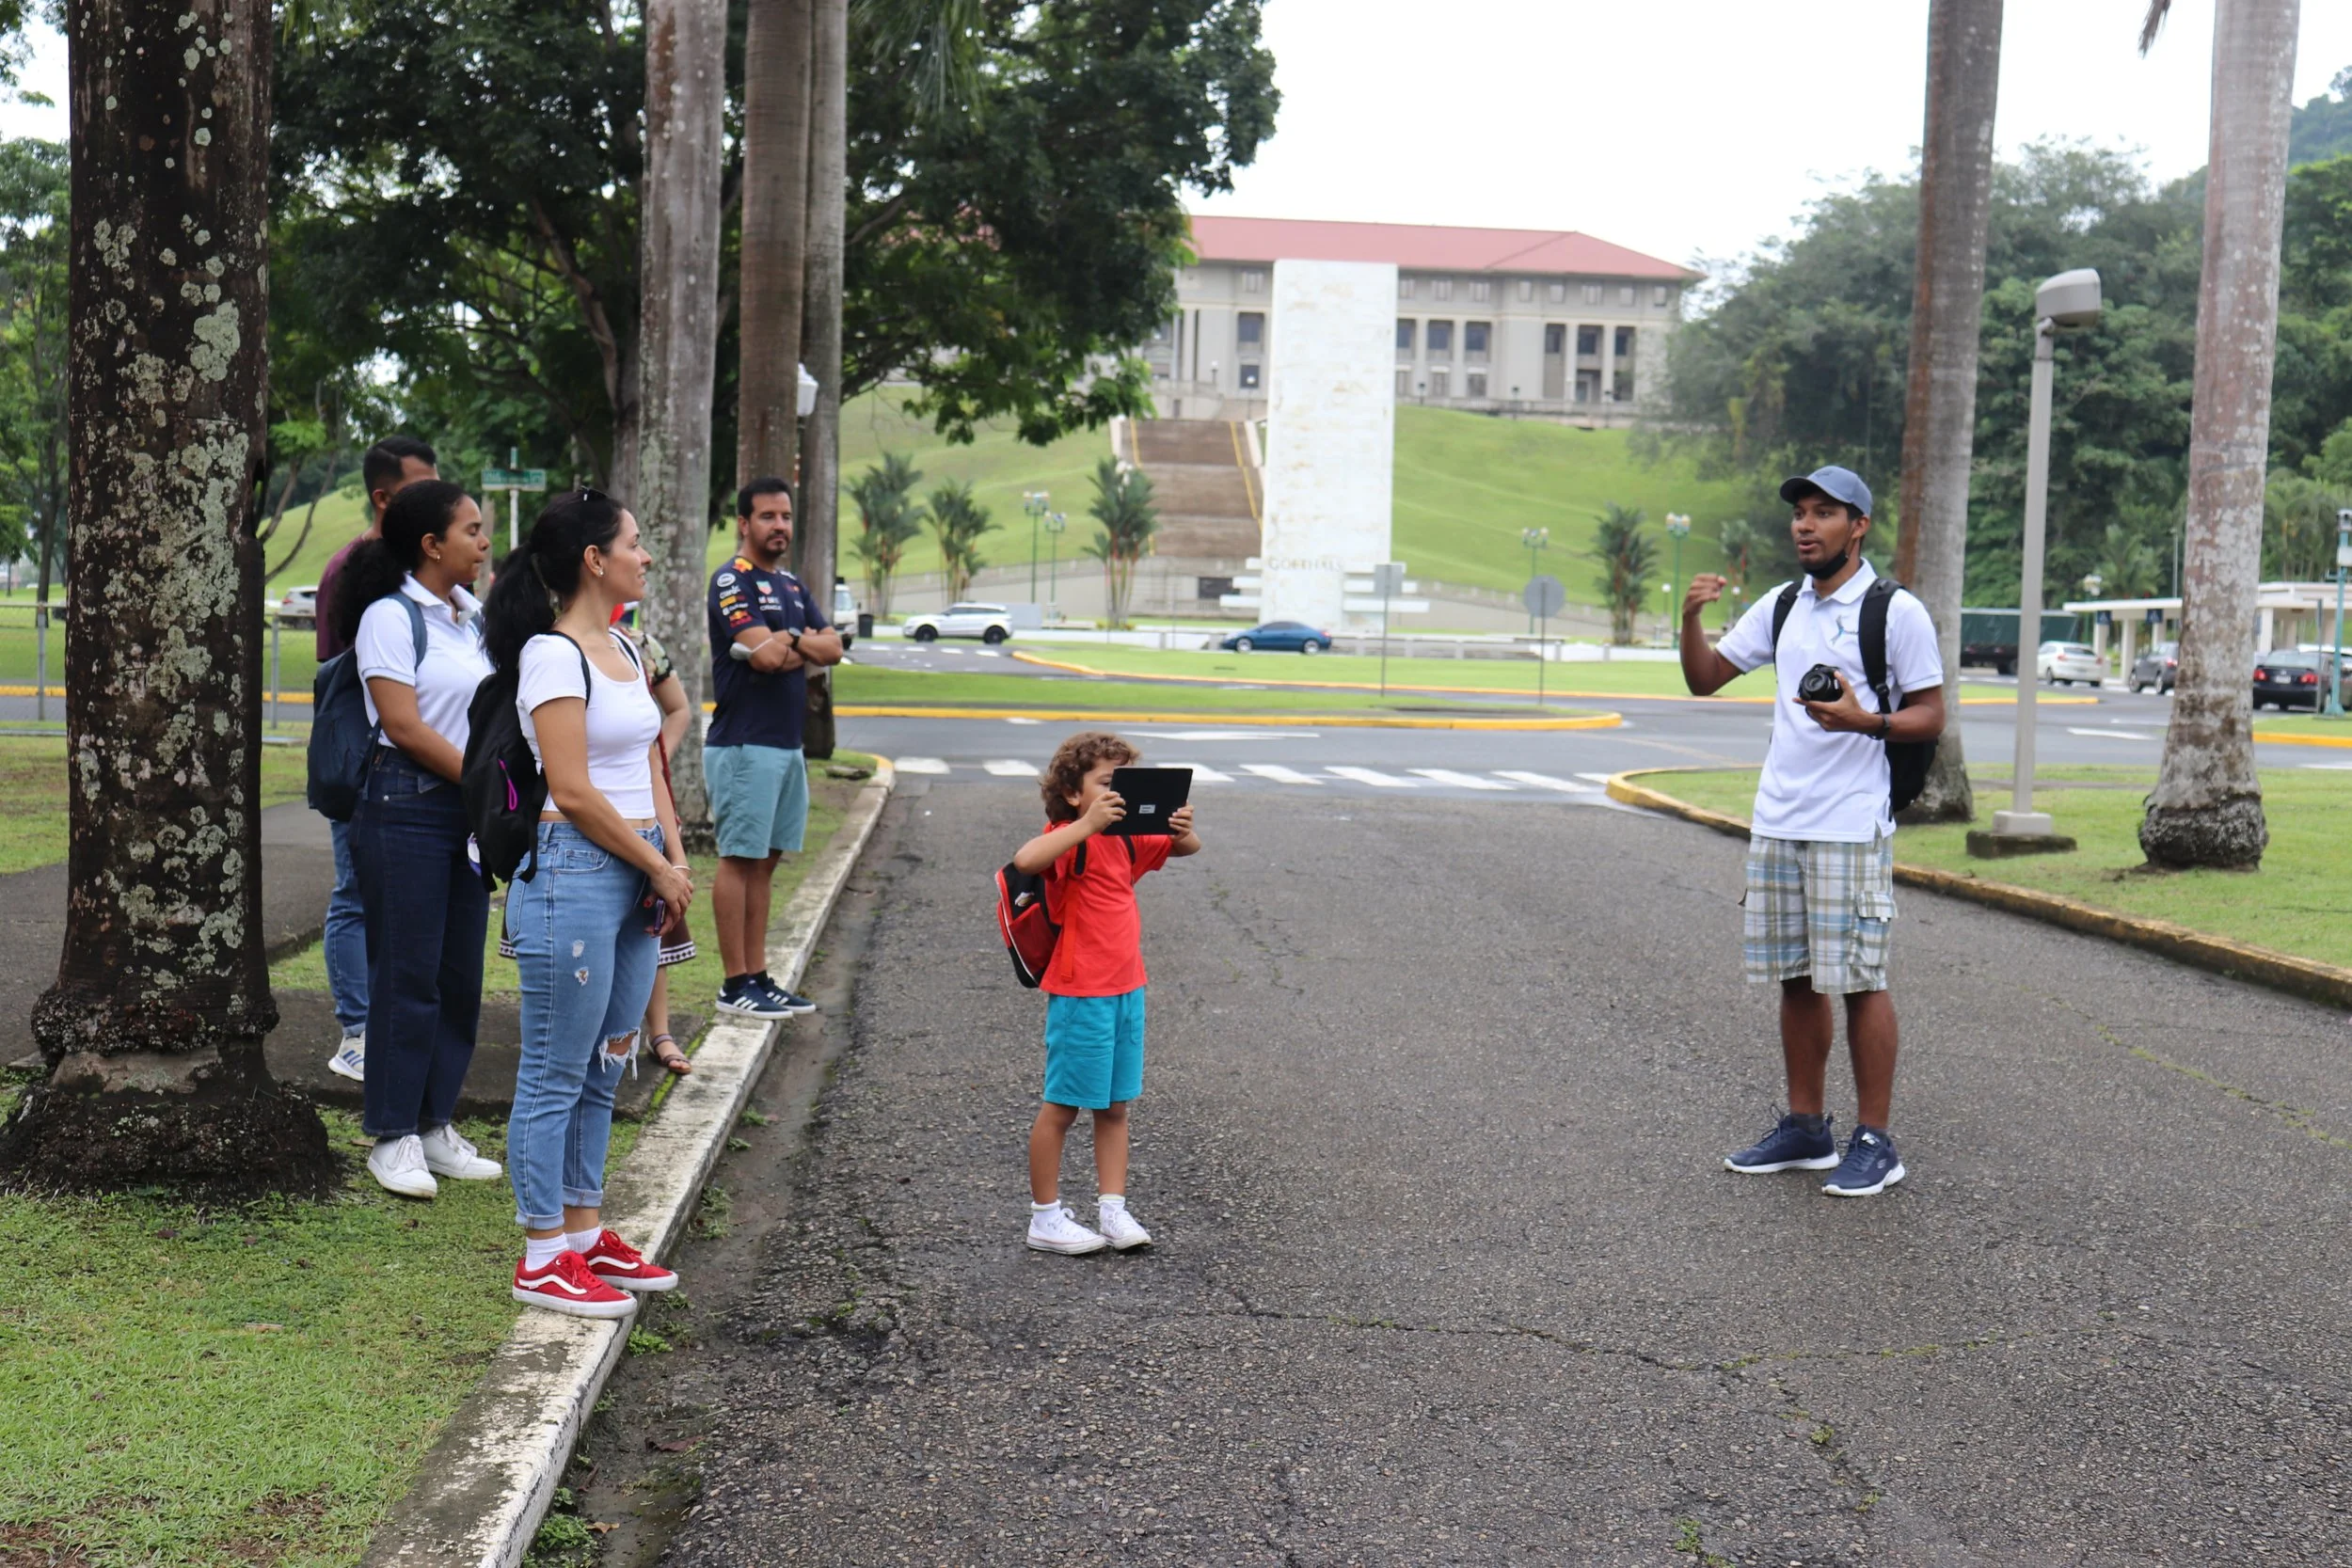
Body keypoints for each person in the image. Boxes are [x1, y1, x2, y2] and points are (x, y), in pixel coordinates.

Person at [1677, 466, 1946, 1198]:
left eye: (1824, 512)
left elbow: (1931, 714)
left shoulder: (1895, 612)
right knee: (1795, 978)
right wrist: (1690, 619)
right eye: (1800, 511)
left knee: (1860, 979)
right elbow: (1705, 677)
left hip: (1850, 822)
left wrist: (1867, 720)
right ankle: (1806, 1127)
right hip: (1779, 818)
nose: (1805, 523)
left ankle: (1876, 1141)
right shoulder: (1782, 604)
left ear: (1858, 526)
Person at [484, 489, 694, 1318]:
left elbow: (648, 766)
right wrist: (655, 865)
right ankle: (542, 1253)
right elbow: (570, 790)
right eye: (634, 543)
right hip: (573, 870)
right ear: (594, 560)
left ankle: (583, 1230)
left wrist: (673, 861)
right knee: (554, 1068)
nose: (646, 556)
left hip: (638, 869)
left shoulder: (627, 648)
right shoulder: (551, 655)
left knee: (607, 1063)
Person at [332, 480, 502, 1198]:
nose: (484, 541)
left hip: (465, 813)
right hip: (404, 805)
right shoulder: (389, 616)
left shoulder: (472, 618)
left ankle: (435, 1124)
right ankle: (392, 1133)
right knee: (407, 974)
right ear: (431, 545)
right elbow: (402, 724)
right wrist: (481, 780)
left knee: (459, 977)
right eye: (471, 529)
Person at [1010, 732, 1200, 1255]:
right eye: (1106, 783)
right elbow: (1026, 859)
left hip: (1126, 988)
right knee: (1063, 1106)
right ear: (1074, 794)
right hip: (1081, 993)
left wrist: (1183, 829)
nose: (1119, 794)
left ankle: (1113, 1210)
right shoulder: (1070, 838)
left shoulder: (1129, 837)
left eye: (1126, 783)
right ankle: (1045, 1218)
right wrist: (1086, 825)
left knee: (1115, 1106)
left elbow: (1187, 848)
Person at [319, 436, 441, 1085]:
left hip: (417, 761)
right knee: (353, 891)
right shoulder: (356, 567)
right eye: (423, 488)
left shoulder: (419, 564)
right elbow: (343, 675)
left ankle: (390, 1025)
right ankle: (357, 1031)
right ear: (384, 497)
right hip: (365, 756)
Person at [704, 478, 843, 1022]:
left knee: (765, 863)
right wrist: (798, 645)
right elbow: (762, 658)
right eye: (767, 516)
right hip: (744, 744)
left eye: (785, 516)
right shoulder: (731, 581)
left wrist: (790, 639)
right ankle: (734, 983)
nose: (779, 525)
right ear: (744, 523)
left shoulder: (790, 583)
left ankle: (759, 977)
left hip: (786, 746)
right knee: (739, 860)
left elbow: (833, 647)